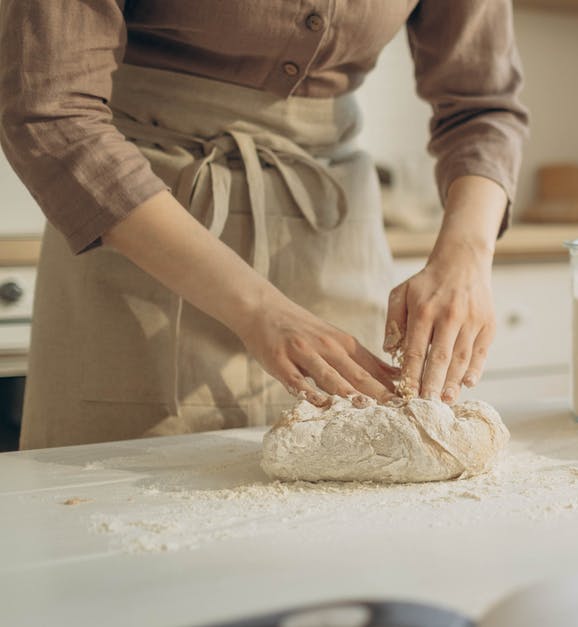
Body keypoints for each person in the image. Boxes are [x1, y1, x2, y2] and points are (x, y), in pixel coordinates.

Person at [0, 1, 528, 449]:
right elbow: (51, 111)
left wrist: (467, 256)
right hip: (142, 240)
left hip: (328, 240)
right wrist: (257, 309)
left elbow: (484, 107)